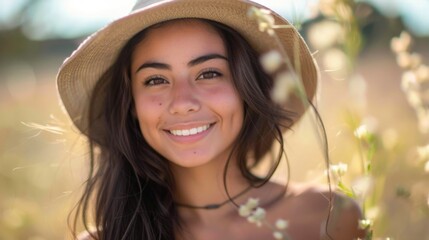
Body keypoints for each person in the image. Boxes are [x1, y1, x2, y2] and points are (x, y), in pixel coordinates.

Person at [57, 0, 366, 239]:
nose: (182, 103)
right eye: (154, 80)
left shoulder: (330, 217)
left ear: (248, 90)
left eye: (208, 73)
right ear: (131, 106)